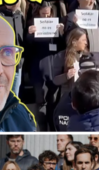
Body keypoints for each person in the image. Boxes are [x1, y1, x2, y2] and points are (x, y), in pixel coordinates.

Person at [25, 1, 65, 131]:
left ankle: (52, 128)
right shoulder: (32, 24)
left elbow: (62, 47)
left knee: (53, 103)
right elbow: (27, 48)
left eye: (48, 14)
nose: (46, 17)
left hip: (54, 70)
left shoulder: (56, 23)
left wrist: (62, 33)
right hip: (38, 71)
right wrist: (29, 35)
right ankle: (42, 128)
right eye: (43, 14)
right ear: (38, 12)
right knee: (40, 102)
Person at [0, 0, 25, 96]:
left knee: (14, 97)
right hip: (3, 65)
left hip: (17, 65)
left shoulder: (20, 16)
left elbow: (22, 40)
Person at [52, 28, 88, 96]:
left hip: (84, 96)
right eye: (83, 40)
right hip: (68, 96)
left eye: (86, 40)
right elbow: (55, 80)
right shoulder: (61, 56)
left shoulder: (87, 56)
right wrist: (67, 76)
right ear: (74, 41)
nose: (86, 43)